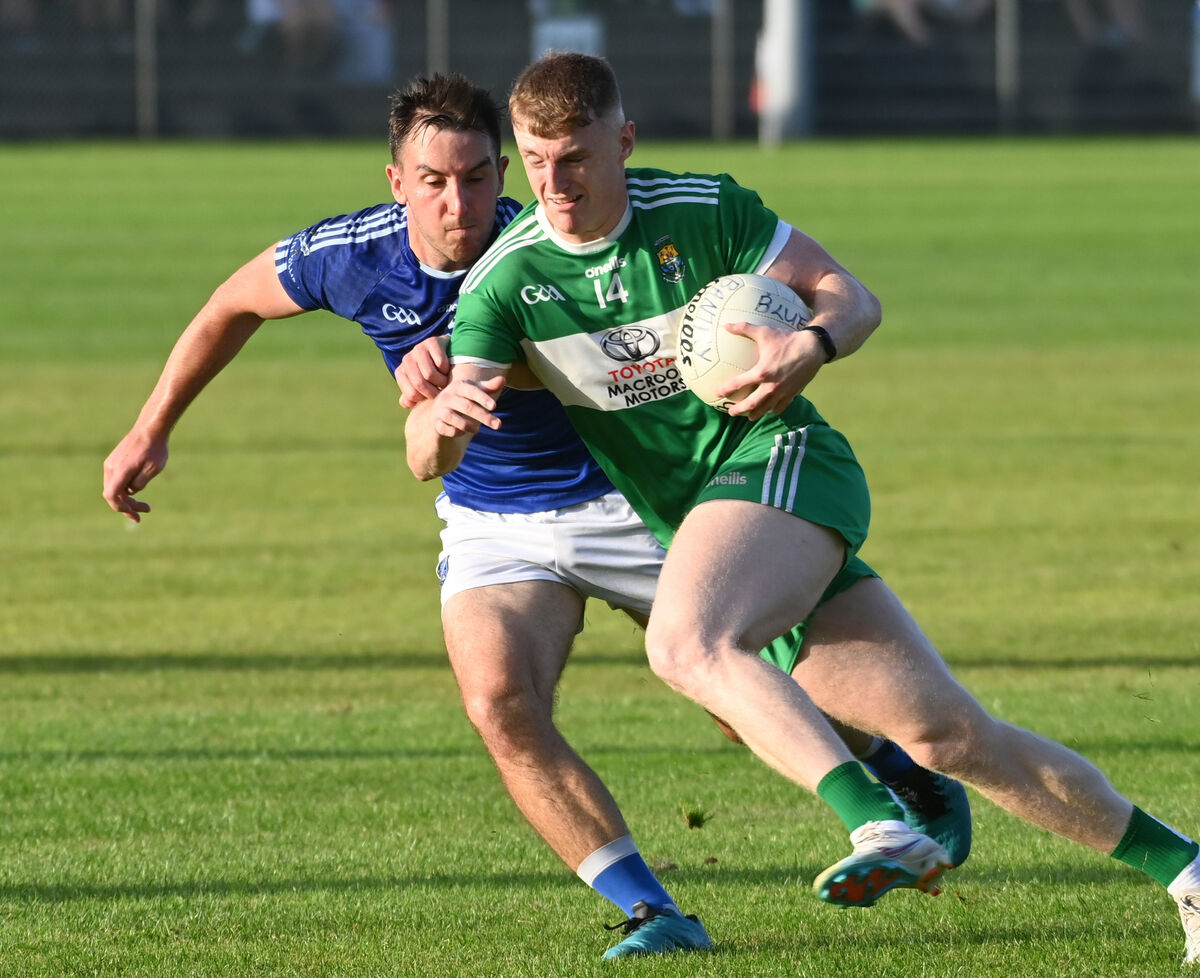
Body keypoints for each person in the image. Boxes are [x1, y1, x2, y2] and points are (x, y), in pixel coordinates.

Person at [101, 71, 969, 962]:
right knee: (499, 701)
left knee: (726, 683)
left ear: (503, 169)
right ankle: (652, 913)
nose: (460, 202)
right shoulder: (350, 255)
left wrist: (457, 363)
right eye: (434, 182)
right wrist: (150, 428)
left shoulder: (543, 244)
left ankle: (903, 775)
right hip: (495, 518)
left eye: (478, 176)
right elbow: (232, 304)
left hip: (629, 496)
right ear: (396, 182)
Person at [412, 51, 1200, 965]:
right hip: (707, 525)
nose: (554, 183)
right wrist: (439, 424)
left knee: (684, 642)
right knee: (948, 736)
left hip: (782, 462)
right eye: (537, 160)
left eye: (577, 157)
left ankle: (878, 823)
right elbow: (427, 455)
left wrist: (813, 344)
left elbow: (850, 297)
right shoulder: (506, 281)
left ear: (623, 142)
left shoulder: (703, 210)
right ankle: (1187, 870)